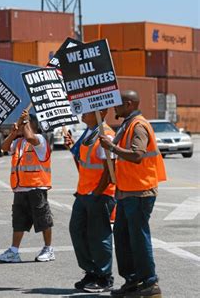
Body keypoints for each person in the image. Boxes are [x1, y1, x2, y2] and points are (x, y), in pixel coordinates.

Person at [99, 90, 166, 297]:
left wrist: (111, 147)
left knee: (138, 238)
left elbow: (137, 155)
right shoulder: (127, 124)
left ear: (128, 104)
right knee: (123, 237)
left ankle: (150, 283)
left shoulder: (138, 125)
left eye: (118, 104)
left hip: (140, 192)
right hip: (127, 191)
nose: (114, 108)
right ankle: (133, 280)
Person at [64, 110, 116, 293]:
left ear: (100, 112)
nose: (81, 115)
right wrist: (72, 149)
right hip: (84, 193)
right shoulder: (89, 133)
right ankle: (91, 271)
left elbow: (110, 171)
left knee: (98, 235)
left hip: (99, 195)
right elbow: (84, 165)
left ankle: (104, 277)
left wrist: (97, 193)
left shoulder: (105, 135)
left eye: (86, 112)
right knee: (77, 230)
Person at [0, 111, 54, 263]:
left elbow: (30, 136)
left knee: (43, 220)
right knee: (18, 221)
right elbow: (4, 147)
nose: (20, 126)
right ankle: (14, 251)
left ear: (32, 124)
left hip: (36, 187)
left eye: (24, 124)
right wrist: (13, 133)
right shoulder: (19, 142)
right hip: (21, 188)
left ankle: (48, 249)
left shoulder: (39, 139)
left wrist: (25, 121)